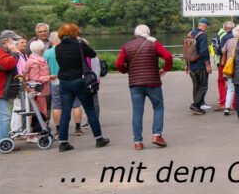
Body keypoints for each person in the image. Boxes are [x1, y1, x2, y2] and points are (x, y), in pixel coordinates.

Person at [115, 25, 173, 150]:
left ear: (135, 34)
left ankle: (138, 142)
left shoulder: (127, 46)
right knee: (158, 107)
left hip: (135, 84)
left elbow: (118, 64)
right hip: (153, 83)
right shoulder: (154, 44)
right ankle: (157, 135)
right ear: (148, 32)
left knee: (137, 112)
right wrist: (164, 69)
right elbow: (168, 57)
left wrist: (127, 70)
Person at [54, 23, 108, 151]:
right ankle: (99, 138)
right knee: (89, 109)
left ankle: (63, 142)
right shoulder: (79, 44)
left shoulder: (58, 48)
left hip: (64, 82)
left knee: (65, 112)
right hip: (79, 80)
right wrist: (81, 44)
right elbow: (93, 54)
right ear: (74, 33)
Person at [0, 30, 23, 147]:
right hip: (0, 90)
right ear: (7, 41)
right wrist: (14, 53)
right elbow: (6, 64)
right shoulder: (0, 52)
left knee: (2, 117)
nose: (16, 43)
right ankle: (4, 144)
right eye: (14, 40)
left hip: (1, 88)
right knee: (4, 117)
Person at [23, 40, 51, 135]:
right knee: (39, 111)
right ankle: (37, 132)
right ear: (41, 49)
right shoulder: (35, 62)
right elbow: (34, 78)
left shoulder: (36, 59)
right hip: (37, 90)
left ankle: (40, 131)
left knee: (40, 111)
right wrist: (48, 77)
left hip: (40, 90)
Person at [186, 18, 213, 115]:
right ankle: (196, 105)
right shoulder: (202, 36)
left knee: (196, 86)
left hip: (192, 64)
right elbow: (203, 51)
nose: (207, 28)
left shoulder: (190, 34)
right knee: (203, 86)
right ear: (204, 26)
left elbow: (187, 50)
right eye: (207, 26)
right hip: (201, 65)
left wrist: (187, 64)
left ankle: (197, 106)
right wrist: (208, 65)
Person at [213, 21, 234, 112]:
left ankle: (223, 103)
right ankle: (235, 104)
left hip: (226, 63)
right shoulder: (238, 36)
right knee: (236, 82)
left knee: (221, 81)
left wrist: (217, 49)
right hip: (238, 62)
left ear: (226, 28)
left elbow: (222, 51)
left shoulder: (225, 37)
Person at [220, 26, 239, 116]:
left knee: (230, 89)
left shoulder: (229, 41)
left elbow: (222, 50)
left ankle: (227, 107)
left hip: (230, 67)